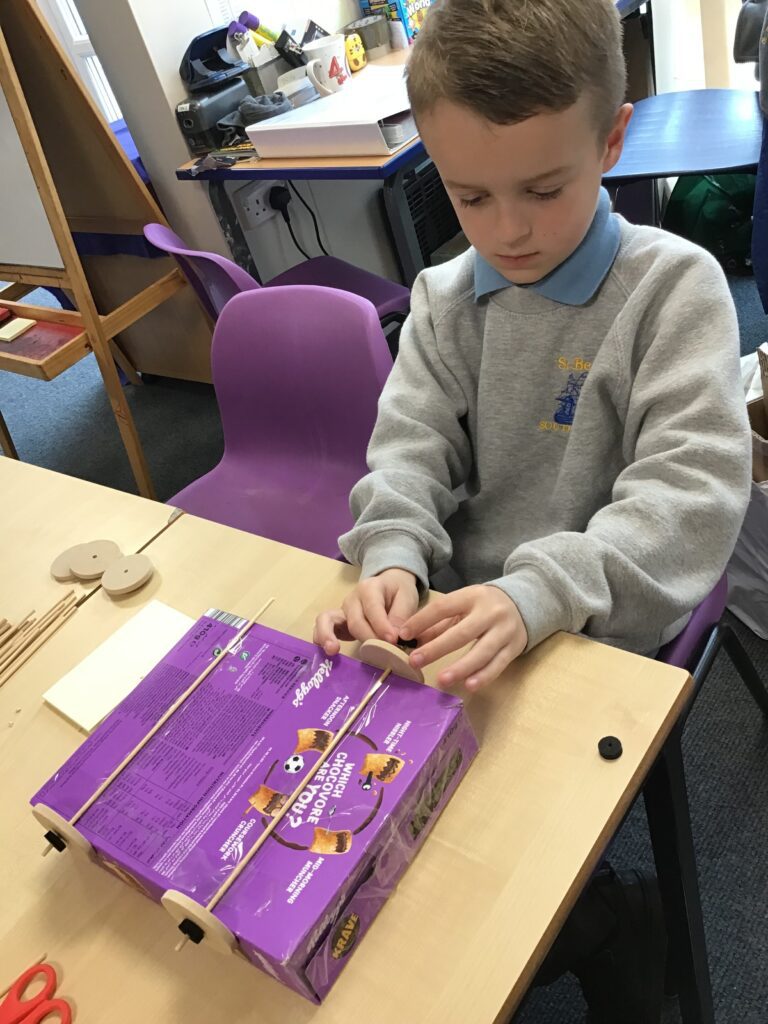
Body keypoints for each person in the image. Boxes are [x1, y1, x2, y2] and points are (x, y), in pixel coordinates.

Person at [313, 1, 752, 1018]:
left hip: (599, 623)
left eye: (544, 190)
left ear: (612, 140)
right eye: (469, 196)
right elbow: (410, 446)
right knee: (354, 818)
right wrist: (391, 551)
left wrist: (538, 592)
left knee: (479, 868)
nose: (507, 230)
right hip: (465, 613)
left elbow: (688, 494)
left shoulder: (674, 289)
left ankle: (610, 922)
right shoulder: (443, 298)